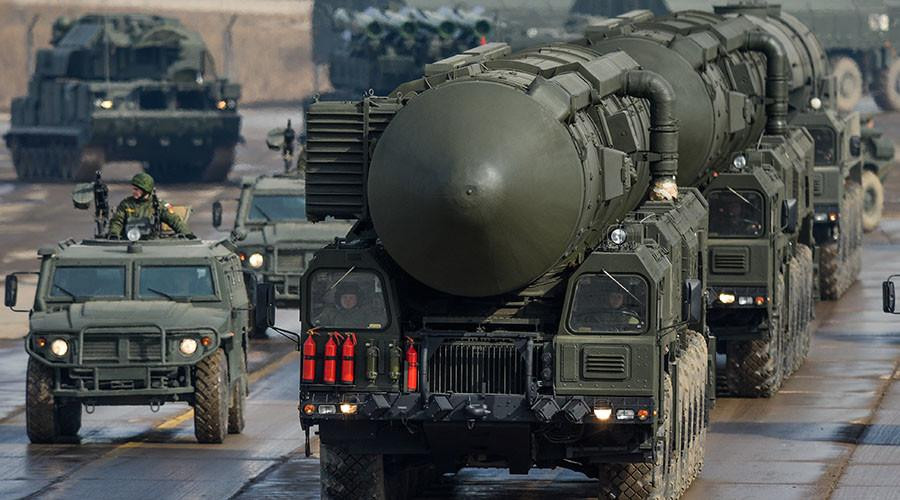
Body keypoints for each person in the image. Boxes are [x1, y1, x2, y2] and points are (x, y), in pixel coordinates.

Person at [108, 173, 188, 238]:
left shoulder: (158, 205)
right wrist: (114, 233)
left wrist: (186, 233)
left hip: (151, 242)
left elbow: (174, 220)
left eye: (136, 189)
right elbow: (117, 221)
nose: (133, 192)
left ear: (145, 190)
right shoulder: (126, 204)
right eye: (133, 189)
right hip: (129, 240)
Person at [314, 282, 384, 329]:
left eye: (351, 298)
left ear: (358, 300)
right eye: (344, 297)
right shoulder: (329, 313)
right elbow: (315, 326)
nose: (348, 301)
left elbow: (380, 325)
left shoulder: (366, 313)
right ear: (339, 299)